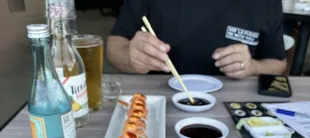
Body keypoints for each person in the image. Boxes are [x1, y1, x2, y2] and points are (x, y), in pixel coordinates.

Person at [106, 0, 287, 79]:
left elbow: (278, 63)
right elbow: (114, 46)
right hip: (158, 101)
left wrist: (252, 67)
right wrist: (131, 58)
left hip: (234, 103)